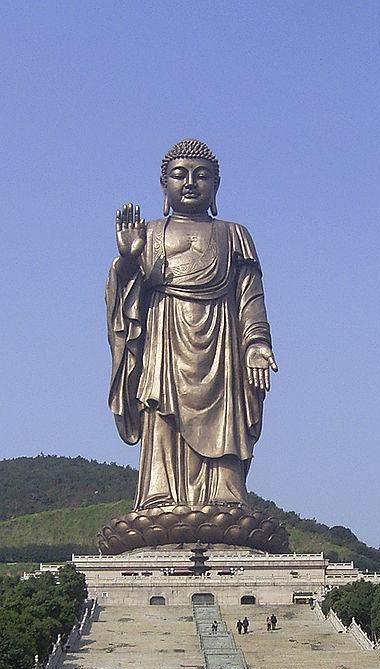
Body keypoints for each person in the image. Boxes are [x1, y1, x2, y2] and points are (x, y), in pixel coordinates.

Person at [107, 140, 277, 514]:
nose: (190, 183)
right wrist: (127, 262)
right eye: (179, 174)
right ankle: (159, 497)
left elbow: (250, 296)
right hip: (165, 340)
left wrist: (256, 343)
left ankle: (226, 498)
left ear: (216, 186)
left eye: (202, 176)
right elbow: (124, 300)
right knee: (161, 415)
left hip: (222, 345)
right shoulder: (149, 233)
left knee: (225, 421)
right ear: (163, 184)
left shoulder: (234, 234)